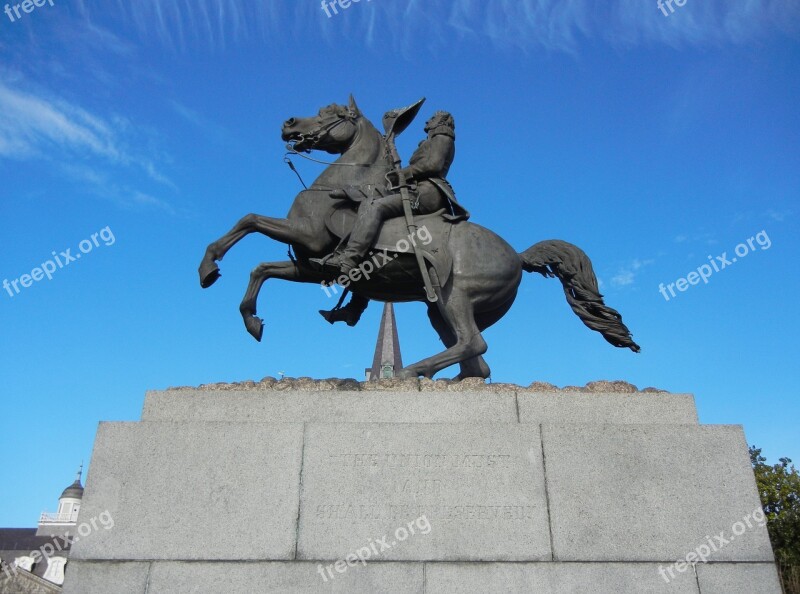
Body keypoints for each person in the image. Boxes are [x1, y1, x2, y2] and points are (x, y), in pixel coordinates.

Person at [316, 111, 468, 325]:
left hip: (427, 193)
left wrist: (404, 173)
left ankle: (348, 259)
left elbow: (432, 165)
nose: (427, 121)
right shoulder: (431, 139)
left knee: (375, 206)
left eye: (432, 118)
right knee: (378, 240)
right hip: (416, 189)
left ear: (441, 121)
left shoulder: (443, 137)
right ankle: (354, 308)